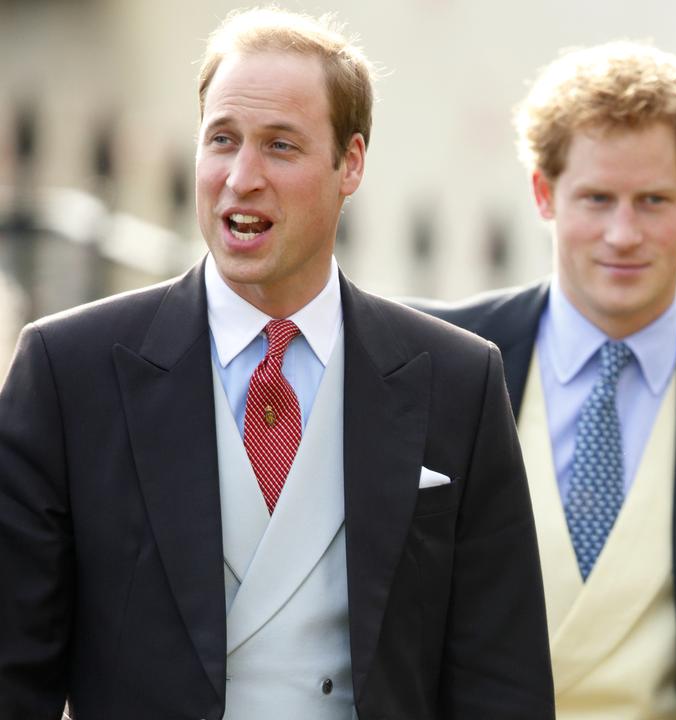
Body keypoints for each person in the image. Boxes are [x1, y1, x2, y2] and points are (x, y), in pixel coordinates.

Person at [0, 8, 552, 719]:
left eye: (281, 146)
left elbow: (502, 684)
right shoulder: (66, 370)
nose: (241, 177)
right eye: (221, 140)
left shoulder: (458, 379)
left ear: (350, 163)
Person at [405, 42, 676, 719]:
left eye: (652, 200)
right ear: (543, 194)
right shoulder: (429, 362)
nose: (622, 233)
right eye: (597, 198)